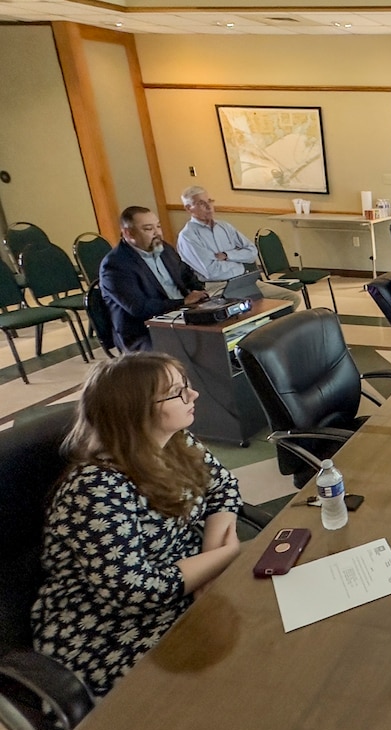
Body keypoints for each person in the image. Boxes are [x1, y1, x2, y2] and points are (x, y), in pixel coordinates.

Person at [31, 353, 243, 698]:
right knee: (222, 683)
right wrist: (225, 554)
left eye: (185, 386)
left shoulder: (175, 441)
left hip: (184, 580)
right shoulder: (96, 489)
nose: (193, 396)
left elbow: (223, 488)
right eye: (177, 392)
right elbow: (134, 592)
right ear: (137, 411)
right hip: (109, 626)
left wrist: (210, 562)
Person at [100, 206, 210, 352]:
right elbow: (139, 308)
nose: (157, 233)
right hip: (145, 331)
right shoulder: (115, 265)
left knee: (224, 331)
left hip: (180, 314)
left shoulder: (164, 249)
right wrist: (183, 302)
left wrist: (200, 292)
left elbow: (186, 274)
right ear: (128, 233)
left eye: (158, 226)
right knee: (195, 346)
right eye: (148, 229)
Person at [176, 186, 301, 309]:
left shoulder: (224, 227)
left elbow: (252, 252)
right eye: (201, 203)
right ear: (189, 208)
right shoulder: (188, 236)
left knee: (290, 299)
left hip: (242, 281)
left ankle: (272, 327)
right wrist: (240, 263)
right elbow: (212, 271)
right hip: (217, 287)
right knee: (252, 310)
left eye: (209, 201)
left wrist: (227, 255)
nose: (209, 207)